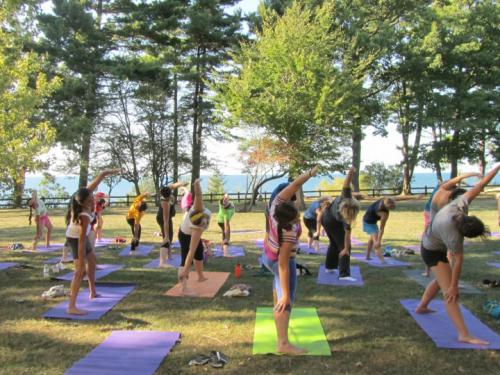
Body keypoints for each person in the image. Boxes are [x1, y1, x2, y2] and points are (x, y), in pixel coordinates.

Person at [415, 165, 499, 345]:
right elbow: (458, 260)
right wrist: (454, 286)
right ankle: (463, 334)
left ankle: (422, 307)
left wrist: (497, 167)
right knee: (450, 294)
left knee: (440, 279)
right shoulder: (453, 235)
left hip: (430, 243)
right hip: (430, 252)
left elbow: (481, 184)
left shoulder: (460, 203)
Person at [262, 166, 317, 355]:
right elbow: (284, 265)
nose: (298, 215)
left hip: (268, 256)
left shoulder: (275, 206)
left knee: (279, 289)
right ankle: (283, 344)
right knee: (286, 300)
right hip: (280, 261)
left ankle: (279, 308)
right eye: (297, 217)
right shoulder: (288, 233)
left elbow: (294, 185)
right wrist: (286, 294)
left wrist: (309, 174)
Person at [66, 169, 120, 315]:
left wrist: (106, 173)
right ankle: (71, 307)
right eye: (90, 198)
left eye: (92, 196)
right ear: (83, 202)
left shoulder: (81, 200)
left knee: (93, 261)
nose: (92, 198)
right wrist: (80, 261)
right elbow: (82, 241)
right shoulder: (83, 216)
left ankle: (92, 292)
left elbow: (94, 183)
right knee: (79, 273)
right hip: (76, 240)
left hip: (79, 238)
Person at [421, 173, 478, 276]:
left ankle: (445, 272)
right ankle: (428, 270)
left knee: (448, 249)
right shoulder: (443, 197)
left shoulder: (450, 197)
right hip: (432, 215)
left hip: (438, 219)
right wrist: (467, 175)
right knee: (432, 242)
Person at [319, 167, 360, 279]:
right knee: (344, 246)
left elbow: (346, 183)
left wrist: (351, 172)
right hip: (331, 221)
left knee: (333, 243)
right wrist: (346, 249)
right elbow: (347, 236)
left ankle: (330, 267)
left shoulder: (346, 197)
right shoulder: (346, 218)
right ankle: (344, 274)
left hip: (325, 218)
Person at [177, 179, 211, 295]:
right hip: (184, 234)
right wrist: (186, 269)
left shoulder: (199, 209)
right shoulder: (196, 227)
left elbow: (198, 194)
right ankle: (184, 289)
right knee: (186, 256)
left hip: (190, 232)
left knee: (199, 251)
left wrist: (196, 184)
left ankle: (200, 277)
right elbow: (191, 251)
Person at [363, 194, 421, 262]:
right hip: (368, 223)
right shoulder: (383, 213)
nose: (394, 207)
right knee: (376, 243)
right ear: (388, 207)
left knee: (372, 239)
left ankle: (367, 256)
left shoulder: (388, 199)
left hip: (370, 220)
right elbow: (382, 229)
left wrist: (415, 197)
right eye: (392, 207)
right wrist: (379, 241)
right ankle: (382, 261)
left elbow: (402, 198)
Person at [156, 182, 186, 267]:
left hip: (167, 218)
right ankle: (162, 262)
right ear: (169, 195)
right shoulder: (165, 203)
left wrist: (181, 184)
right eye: (171, 192)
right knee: (167, 237)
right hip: (162, 219)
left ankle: (169, 255)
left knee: (170, 236)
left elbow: (173, 186)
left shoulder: (168, 194)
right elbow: (165, 221)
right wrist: (166, 235)